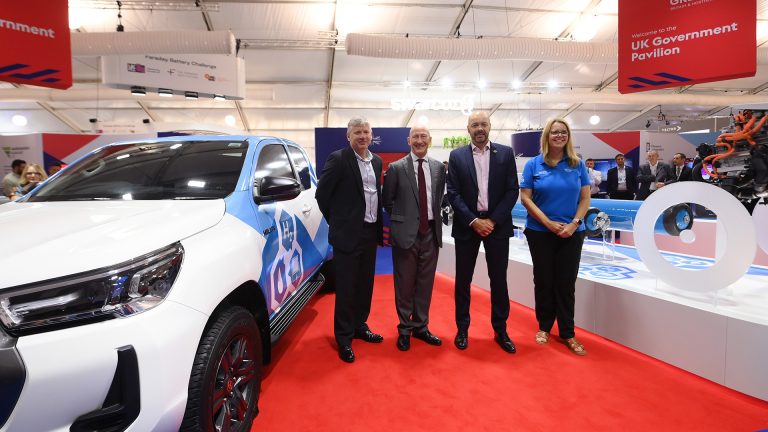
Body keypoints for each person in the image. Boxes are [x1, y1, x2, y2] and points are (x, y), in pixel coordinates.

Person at [446, 111, 519, 354]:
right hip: (467, 226)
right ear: (468, 129)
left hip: (497, 226)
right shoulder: (457, 156)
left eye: (483, 124)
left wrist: (493, 220)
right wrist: (474, 220)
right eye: (475, 124)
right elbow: (453, 192)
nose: (479, 128)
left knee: (499, 281)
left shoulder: (505, 153)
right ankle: (462, 329)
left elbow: (512, 190)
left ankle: (501, 330)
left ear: (490, 126)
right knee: (463, 281)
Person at [315, 116, 384, 363]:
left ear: (371, 135)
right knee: (346, 288)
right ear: (348, 136)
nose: (363, 136)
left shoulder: (377, 161)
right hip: (347, 235)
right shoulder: (338, 159)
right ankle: (343, 338)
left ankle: (359, 326)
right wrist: (338, 222)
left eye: (366, 132)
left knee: (365, 284)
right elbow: (322, 195)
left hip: (370, 231)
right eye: (357, 132)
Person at [519, 118, 591, 356]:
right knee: (543, 280)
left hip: (571, 233)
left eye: (563, 132)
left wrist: (574, 224)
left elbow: (585, 199)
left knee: (566, 283)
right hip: (540, 232)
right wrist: (547, 223)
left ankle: (568, 332)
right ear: (547, 136)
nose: (559, 136)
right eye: (554, 132)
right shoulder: (533, 164)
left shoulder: (577, 164)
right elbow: (525, 198)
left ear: (568, 136)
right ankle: (544, 327)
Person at [382, 125, 446, 351]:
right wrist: (405, 220)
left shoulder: (439, 168)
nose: (419, 140)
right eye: (415, 137)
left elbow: (438, 198)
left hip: (431, 233)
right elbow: (387, 201)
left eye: (423, 136)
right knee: (404, 284)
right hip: (405, 234)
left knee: (425, 283)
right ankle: (404, 329)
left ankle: (421, 326)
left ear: (430, 139)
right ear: (408, 141)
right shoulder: (396, 168)